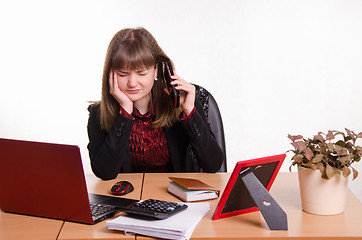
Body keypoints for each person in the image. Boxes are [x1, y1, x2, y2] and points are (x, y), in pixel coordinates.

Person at [87, 27, 225, 180]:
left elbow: (213, 164)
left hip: (175, 197)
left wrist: (189, 112)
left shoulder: (180, 102)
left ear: (156, 70)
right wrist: (125, 113)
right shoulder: (97, 114)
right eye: (123, 74)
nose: (132, 83)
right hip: (128, 200)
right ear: (110, 74)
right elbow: (104, 173)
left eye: (141, 73)